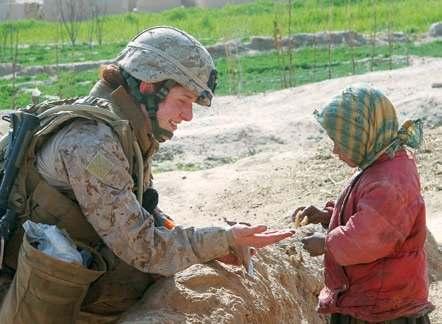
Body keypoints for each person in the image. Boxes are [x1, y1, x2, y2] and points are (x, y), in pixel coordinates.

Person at [0, 26, 294, 323]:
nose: (188, 115)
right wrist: (221, 239)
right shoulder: (90, 144)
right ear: (148, 86)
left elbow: (141, 211)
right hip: (27, 293)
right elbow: (142, 247)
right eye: (183, 100)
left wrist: (208, 243)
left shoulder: (123, 129)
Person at [294, 84, 434, 323]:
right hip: (370, 300)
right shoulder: (379, 164)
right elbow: (371, 216)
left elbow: (369, 238)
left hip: (386, 309)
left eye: (340, 142)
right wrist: (328, 216)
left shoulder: (390, 180)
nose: (335, 150)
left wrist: (327, 244)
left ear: (363, 137)